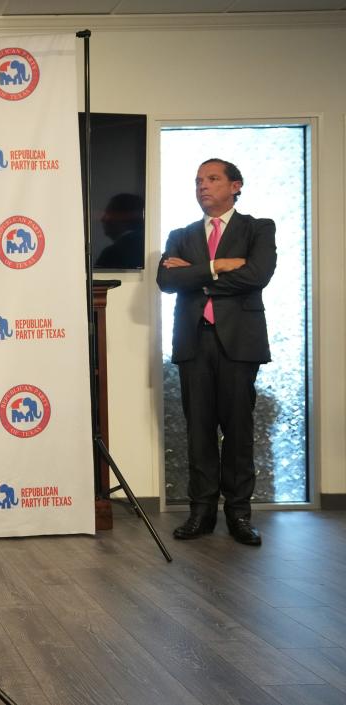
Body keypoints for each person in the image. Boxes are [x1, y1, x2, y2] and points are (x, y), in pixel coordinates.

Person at [157, 158, 276, 546]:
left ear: (235, 186)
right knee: (199, 430)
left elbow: (257, 275)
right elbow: (166, 280)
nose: (202, 186)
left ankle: (239, 514)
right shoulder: (181, 234)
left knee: (238, 431)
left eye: (212, 179)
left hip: (239, 343)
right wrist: (218, 266)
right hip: (195, 342)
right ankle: (201, 514)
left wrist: (197, 277)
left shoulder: (257, 228)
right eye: (197, 181)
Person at [94, 192, 145, 269]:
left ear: (125, 216)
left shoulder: (112, 253)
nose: (103, 219)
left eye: (108, 213)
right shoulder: (144, 246)